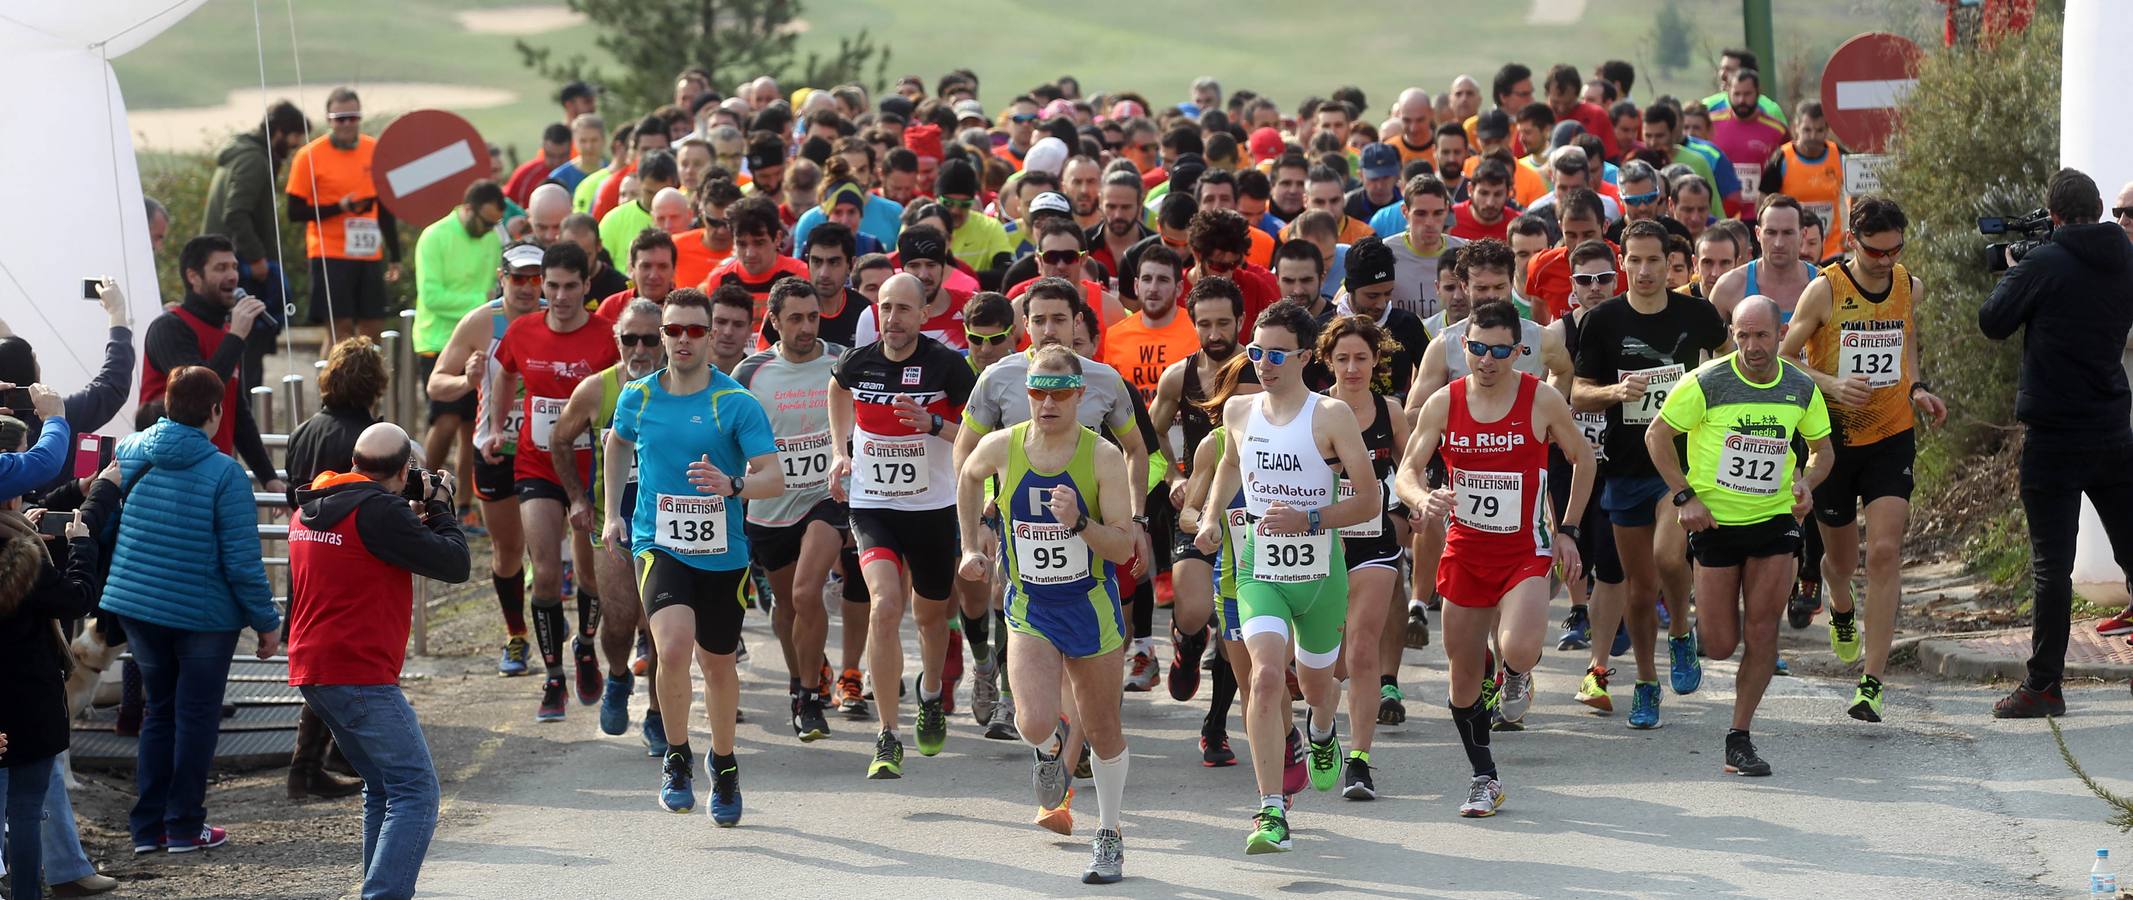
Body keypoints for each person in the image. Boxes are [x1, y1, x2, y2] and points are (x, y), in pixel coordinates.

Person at [1192, 299, 1381, 854]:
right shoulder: (1239, 412)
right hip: (1258, 568)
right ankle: (1271, 810)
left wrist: (1310, 517)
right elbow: (1229, 462)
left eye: (1276, 354)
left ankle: (1322, 730)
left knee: (1317, 684)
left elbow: (1368, 499)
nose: (1263, 364)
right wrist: (1208, 518)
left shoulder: (1330, 416)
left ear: (1304, 357)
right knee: (1268, 677)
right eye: (1256, 352)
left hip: (1320, 573)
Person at [1398, 298, 1591, 814]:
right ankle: (1484, 776)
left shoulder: (1541, 399)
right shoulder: (1445, 401)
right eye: (1478, 348)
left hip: (1525, 551)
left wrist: (1568, 528)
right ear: (1465, 347)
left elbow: (1583, 458)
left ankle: (1518, 671)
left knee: (1521, 646)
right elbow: (1408, 471)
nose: (1487, 360)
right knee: (1462, 677)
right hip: (1465, 551)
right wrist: (1423, 499)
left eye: (1499, 350)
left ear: (1518, 351)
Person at [955, 344, 1139, 883]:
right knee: (1032, 721)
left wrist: (1079, 522)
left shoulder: (1102, 456)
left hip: (1091, 608)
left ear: (1079, 396)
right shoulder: (1004, 446)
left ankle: (1108, 833)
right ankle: (1050, 750)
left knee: (1104, 731)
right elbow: (966, 475)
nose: (1046, 402)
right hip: (1031, 606)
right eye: (1037, 391)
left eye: (1059, 393)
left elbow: (1123, 547)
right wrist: (971, 545)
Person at [603, 288, 782, 822]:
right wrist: (613, 512)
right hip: (658, 544)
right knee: (674, 649)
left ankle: (723, 764)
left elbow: (772, 478)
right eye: (673, 330)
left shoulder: (735, 404)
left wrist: (731, 485)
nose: (683, 340)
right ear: (662, 336)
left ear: (711, 337)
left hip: (723, 553)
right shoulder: (637, 396)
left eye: (694, 330)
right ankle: (677, 758)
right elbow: (616, 442)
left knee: (718, 663)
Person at [1647, 297, 1831, 775]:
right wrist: (1685, 498)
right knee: (1723, 642)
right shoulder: (1706, 383)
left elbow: (1822, 450)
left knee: (1763, 629)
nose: (1751, 346)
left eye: (1762, 336)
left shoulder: (1798, 386)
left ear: (1781, 332)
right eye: (1743, 335)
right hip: (1715, 524)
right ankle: (1683, 630)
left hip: (1774, 520)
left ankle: (1740, 736)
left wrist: (1806, 484)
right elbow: (1657, 436)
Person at [101, 366, 281, 855]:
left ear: (166, 406)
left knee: (159, 710)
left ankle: (146, 830)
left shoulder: (131, 451)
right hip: (203, 616)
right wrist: (267, 623)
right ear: (216, 412)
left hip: (138, 605)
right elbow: (243, 563)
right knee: (196, 717)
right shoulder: (225, 473)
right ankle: (183, 827)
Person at [286, 423, 471, 899]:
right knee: (417, 791)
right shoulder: (379, 513)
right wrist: (440, 506)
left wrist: (411, 514)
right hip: (359, 673)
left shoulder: (314, 502)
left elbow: (369, 549)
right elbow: (455, 564)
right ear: (405, 469)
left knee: (384, 788)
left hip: (316, 670)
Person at [1779, 197, 1945, 721]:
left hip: (1891, 435)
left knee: (1884, 555)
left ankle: (1871, 683)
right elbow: (1786, 358)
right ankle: (1841, 608)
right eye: (1876, 251)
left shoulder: (1907, 284)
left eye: (1896, 249)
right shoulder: (1824, 289)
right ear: (1852, 240)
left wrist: (1916, 386)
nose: (1886, 260)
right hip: (1831, 441)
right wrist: (1830, 383)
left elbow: (1907, 338)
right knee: (1842, 562)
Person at [1979, 168, 2133, 718]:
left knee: (2052, 567)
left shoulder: (2043, 262)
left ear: (2057, 214)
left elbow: (1993, 321)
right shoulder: (2126, 255)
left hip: (2055, 438)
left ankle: (2044, 686)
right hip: (2114, 428)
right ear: (2098, 211)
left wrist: (2017, 269)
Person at [1568, 220, 1727, 727]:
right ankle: (1645, 681)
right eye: (1633, 261)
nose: (1643, 270)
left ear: (1669, 262)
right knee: (1637, 589)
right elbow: (1577, 392)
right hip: (1625, 467)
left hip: (1680, 465)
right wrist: (1615, 393)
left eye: (1653, 260)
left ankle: (1680, 631)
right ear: (1623, 264)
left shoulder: (1698, 314)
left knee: (1667, 553)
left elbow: (1730, 366)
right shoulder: (1604, 321)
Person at [829, 273, 979, 778]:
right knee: (885, 605)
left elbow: (981, 435)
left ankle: (931, 695)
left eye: (903, 310)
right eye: (885, 308)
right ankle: (888, 734)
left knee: (931, 617)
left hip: (933, 508)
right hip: (872, 505)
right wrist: (840, 449)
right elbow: (837, 386)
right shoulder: (860, 359)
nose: (893, 319)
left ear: (923, 314)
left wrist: (934, 424)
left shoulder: (947, 366)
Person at [486, 242, 619, 721]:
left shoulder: (607, 337)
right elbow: (501, 375)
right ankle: (553, 676)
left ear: (587, 286)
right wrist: (496, 426)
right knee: (543, 573)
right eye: (552, 286)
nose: (560, 296)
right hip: (536, 465)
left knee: (589, 576)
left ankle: (585, 645)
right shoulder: (521, 331)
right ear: (542, 285)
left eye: (570, 287)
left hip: (590, 471)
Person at [546, 299, 667, 746]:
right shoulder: (598, 390)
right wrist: (577, 499)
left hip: (671, 524)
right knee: (617, 621)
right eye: (629, 339)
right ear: (616, 341)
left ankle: (658, 712)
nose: (640, 348)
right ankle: (618, 676)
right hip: (613, 523)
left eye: (650, 339)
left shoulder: (681, 387)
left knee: (660, 625)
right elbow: (560, 438)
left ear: (666, 340)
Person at [0, 414, 111, 900]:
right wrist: (82, 544)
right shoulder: (21, 557)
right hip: (26, 697)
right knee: (26, 809)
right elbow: (76, 599)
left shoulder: (17, 539)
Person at [426, 241, 546, 674]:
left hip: (548, 447)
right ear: (502, 278)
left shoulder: (558, 315)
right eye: (518, 278)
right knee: (509, 548)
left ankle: (570, 637)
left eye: (536, 279)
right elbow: (436, 384)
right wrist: (467, 380)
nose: (528, 288)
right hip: (495, 448)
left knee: (555, 550)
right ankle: (516, 637)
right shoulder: (482, 322)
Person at [735, 281, 847, 742]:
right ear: (774, 322)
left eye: (813, 317)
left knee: (806, 593)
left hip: (825, 498)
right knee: (785, 606)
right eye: (795, 318)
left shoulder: (842, 360)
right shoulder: (750, 372)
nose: (806, 327)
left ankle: (808, 697)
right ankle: (805, 672)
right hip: (769, 505)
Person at [279, 336, 390, 800]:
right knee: (340, 667)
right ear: (374, 385)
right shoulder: (370, 439)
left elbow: (292, 498)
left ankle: (313, 764)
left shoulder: (303, 430)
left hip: (305, 557)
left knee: (319, 667)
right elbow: (382, 504)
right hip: (349, 563)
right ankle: (315, 764)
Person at [1314, 314, 1409, 800]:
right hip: (1318, 547)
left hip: (1373, 543)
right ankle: (1322, 728)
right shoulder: (1312, 412)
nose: (1352, 368)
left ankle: (1360, 760)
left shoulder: (1390, 412)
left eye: (1362, 358)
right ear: (1326, 360)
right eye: (1343, 358)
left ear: (1376, 361)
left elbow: (1410, 470)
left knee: (1362, 648)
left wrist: (1413, 506)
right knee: (1327, 660)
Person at [141, 235, 285, 495]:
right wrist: (236, 337)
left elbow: (236, 410)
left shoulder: (228, 333)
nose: (232, 276)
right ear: (194, 277)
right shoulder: (170, 327)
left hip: (214, 476)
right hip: (169, 479)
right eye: (220, 268)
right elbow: (195, 394)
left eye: (234, 267)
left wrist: (268, 476)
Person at [203, 99, 308, 390]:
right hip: (240, 270)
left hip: (228, 265)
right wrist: (257, 258)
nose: (293, 149)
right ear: (279, 132)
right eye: (293, 140)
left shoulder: (246, 155)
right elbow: (236, 213)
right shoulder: (254, 160)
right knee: (249, 350)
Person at [286, 87, 402, 340]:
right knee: (341, 334)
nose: (347, 124)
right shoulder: (308, 156)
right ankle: (334, 379)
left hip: (368, 252)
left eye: (353, 117)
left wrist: (395, 255)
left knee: (373, 329)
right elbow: (294, 211)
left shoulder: (376, 150)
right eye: (340, 119)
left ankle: (366, 379)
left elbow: (385, 207)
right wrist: (339, 207)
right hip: (330, 253)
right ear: (329, 120)